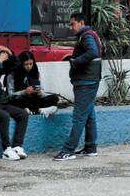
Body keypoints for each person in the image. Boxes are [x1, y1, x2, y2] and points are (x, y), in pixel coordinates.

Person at [53, 13, 102, 161]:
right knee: (88, 115)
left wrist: (76, 62)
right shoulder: (88, 35)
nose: (71, 27)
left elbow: (92, 52)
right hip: (88, 81)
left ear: (81, 22)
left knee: (79, 117)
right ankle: (90, 147)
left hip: (86, 82)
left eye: (73, 24)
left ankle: (68, 150)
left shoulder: (86, 36)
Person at [6, 50, 63, 117]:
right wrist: (23, 92)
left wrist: (40, 92)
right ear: (21, 64)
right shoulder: (12, 75)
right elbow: (9, 96)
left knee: (54, 98)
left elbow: (43, 92)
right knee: (20, 101)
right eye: (26, 64)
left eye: (31, 64)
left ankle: (33, 110)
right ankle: (39, 110)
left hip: (34, 99)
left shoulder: (36, 73)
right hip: (21, 100)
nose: (29, 67)